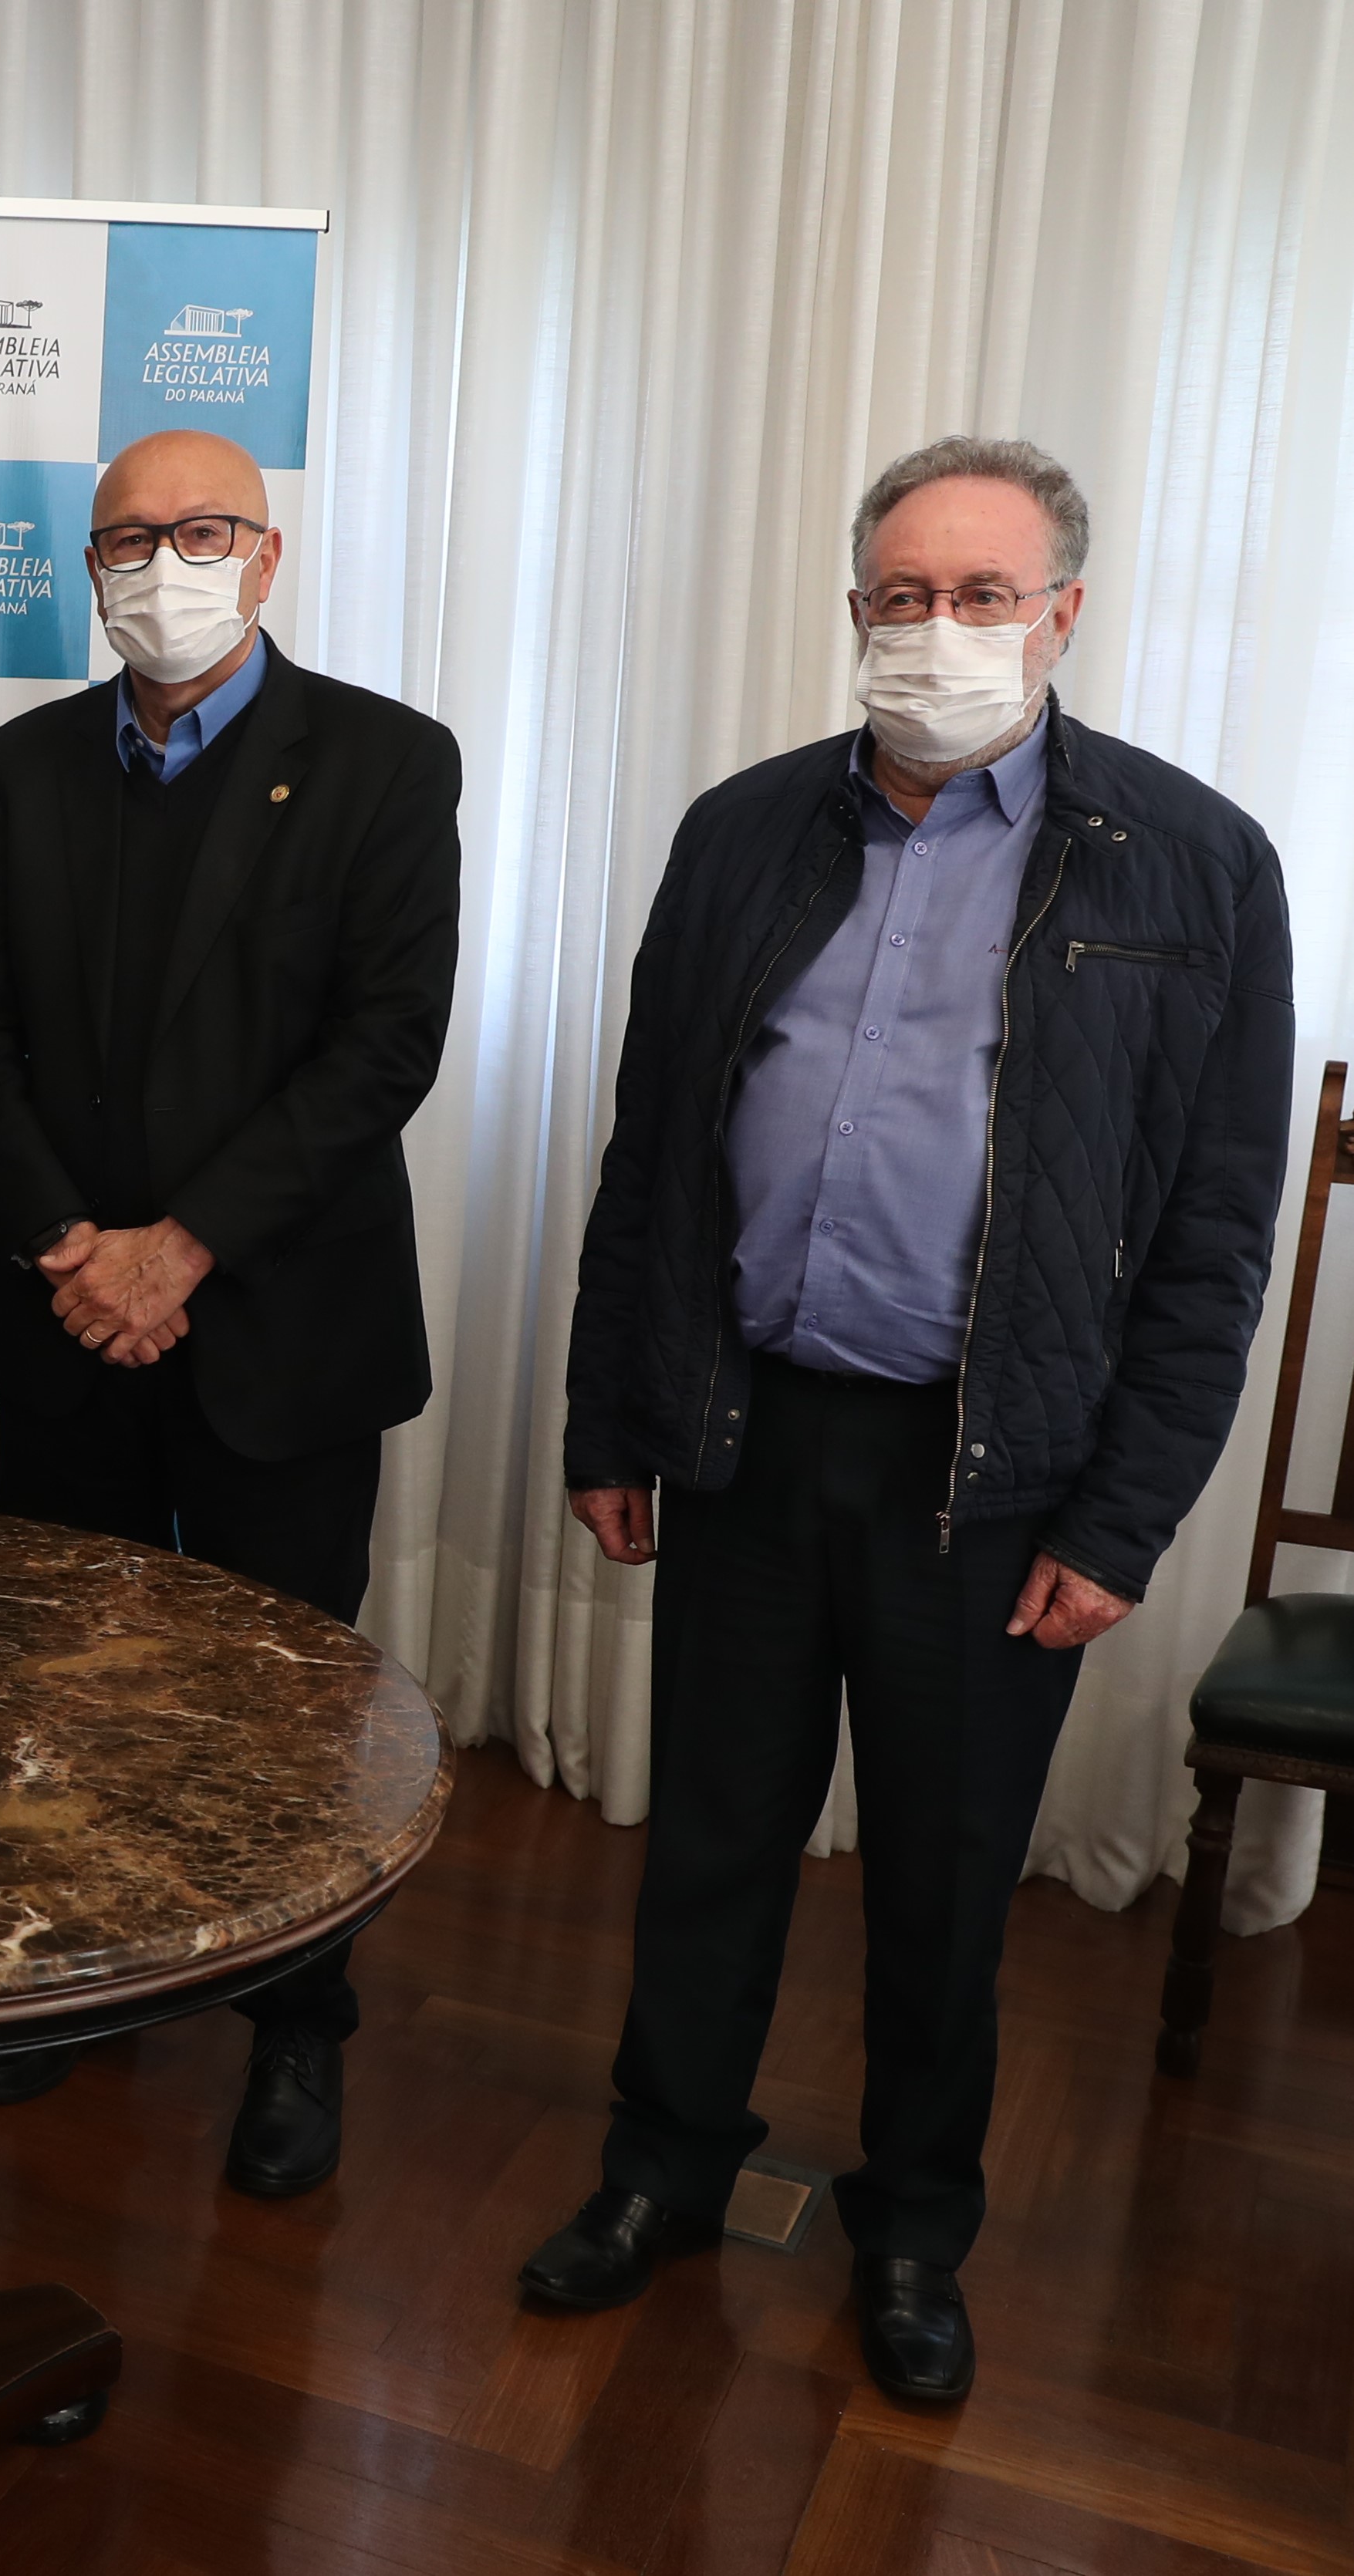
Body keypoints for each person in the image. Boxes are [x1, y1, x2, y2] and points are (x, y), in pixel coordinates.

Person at [533, 436, 1291, 2403]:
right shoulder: (740, 831)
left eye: (980, 595)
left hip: (995, 1470)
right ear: (854, 606)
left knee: (946, 1884)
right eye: (900, 593)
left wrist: (1120, 1520)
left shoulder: (1194, 860)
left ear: (1061, 614)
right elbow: (650, 1155)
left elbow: (1213, 1233)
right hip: (747, 1429)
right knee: (710, 1839)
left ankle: (912, 2230)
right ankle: (661, 2166)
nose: (934, 627)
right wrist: (608, 1416)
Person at [0, 428, 463, 2193]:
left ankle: (294, 2023)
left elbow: (380, 1046)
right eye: (127, 538)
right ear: (88, 569)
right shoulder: (27, 763)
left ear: (267, 552)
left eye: (201, 529)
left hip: (282, 1329)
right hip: (68, 1316)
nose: (163, 563)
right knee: (60, 1673)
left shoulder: (386, 759)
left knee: (282, 1707)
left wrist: (185, 1248)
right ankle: (70, 1971)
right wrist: (73, 1247)